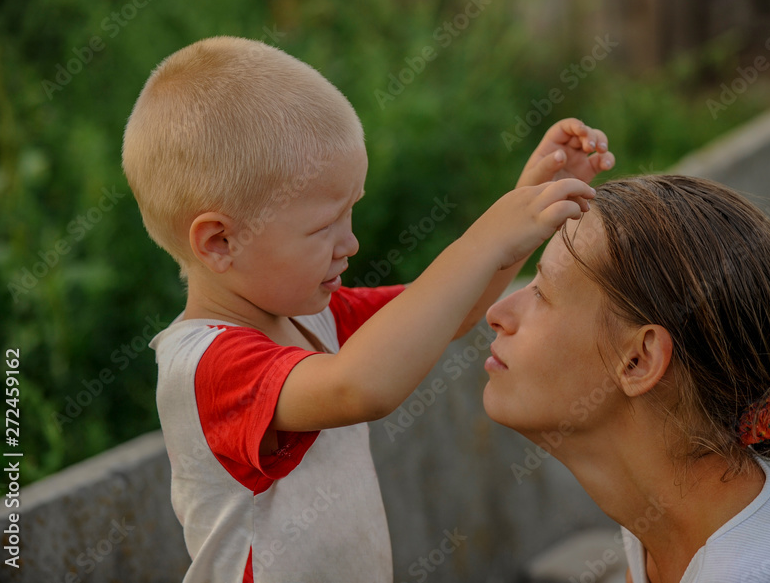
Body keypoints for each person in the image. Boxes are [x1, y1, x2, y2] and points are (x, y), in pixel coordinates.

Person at [121, 35, 614, 583]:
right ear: (219, 242)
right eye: (322, 227)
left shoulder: (312, 315)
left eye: (350, 212)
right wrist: (485, 238)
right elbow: (358, 389)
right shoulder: (205, 366)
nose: (350, 243)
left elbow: (449, 312)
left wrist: (526, 208)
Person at [483, 174, 770, 583]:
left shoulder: (757, 570)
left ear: (638, 361)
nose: (496, 314)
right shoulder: (679, 510)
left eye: (542, 293)